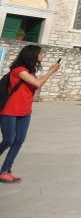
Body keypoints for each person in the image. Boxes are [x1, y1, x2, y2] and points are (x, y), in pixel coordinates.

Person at [0, 45, 60, 183]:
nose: (42, 56)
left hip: (25, 111)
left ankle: (5, 170)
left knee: (19, 140)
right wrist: (51, 72)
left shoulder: (30, 72)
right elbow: (38, 84)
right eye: (40, 54)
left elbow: (34, 85)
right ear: (33, 56)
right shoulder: (19, 71)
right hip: (10, 110)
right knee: (8, 140)